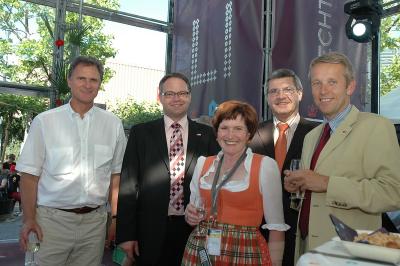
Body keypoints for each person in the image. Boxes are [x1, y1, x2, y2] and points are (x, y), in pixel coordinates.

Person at [284, 52, 400, 259]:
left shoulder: (376, 126)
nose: (323, 90)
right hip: (308, 251)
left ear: (350, 86)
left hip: (351, 255)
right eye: (317, 83)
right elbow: (314, 194)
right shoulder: (312, 136)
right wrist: (300, 186)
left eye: (332, 82)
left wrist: (327, 183)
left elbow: (392, 193)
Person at [16, 55, 127, 266]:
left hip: (94, 224)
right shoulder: (45, 122)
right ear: (69, 81)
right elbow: (29, 176)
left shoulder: (113, 125)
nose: (87, 85)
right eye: (81, 78)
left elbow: (116, 176)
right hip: (51, 223)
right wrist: (29, 219)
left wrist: (115, 218)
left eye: (93, 80)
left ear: (99, 84)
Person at [116, 72, 220, 266]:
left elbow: (217, 185)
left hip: (195, 229)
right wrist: (126, 235)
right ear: (160, 97)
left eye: (182, 93)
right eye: (170, 93)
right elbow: (128, 186)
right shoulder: (141, 133)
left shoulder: (207, 135)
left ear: (190, 96)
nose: (176, 98)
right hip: (149, 231)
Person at [182, 100, 289, 266]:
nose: (230, 135)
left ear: (249, 134)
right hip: (201, 250)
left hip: (244, 252)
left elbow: (276, 228)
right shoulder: (203, 164)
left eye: (238, 129)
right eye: (224, 128)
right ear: (216, 133)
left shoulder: (265, 166)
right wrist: (190, 216)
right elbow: (193, 211)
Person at [249, 69, 317, 266]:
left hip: (303, 227)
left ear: (300, 93)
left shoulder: (318, 133)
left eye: (287, 89)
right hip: (260, 228)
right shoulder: (252, 134)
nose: (280, 96)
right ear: (268, 98)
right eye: (273, 91)